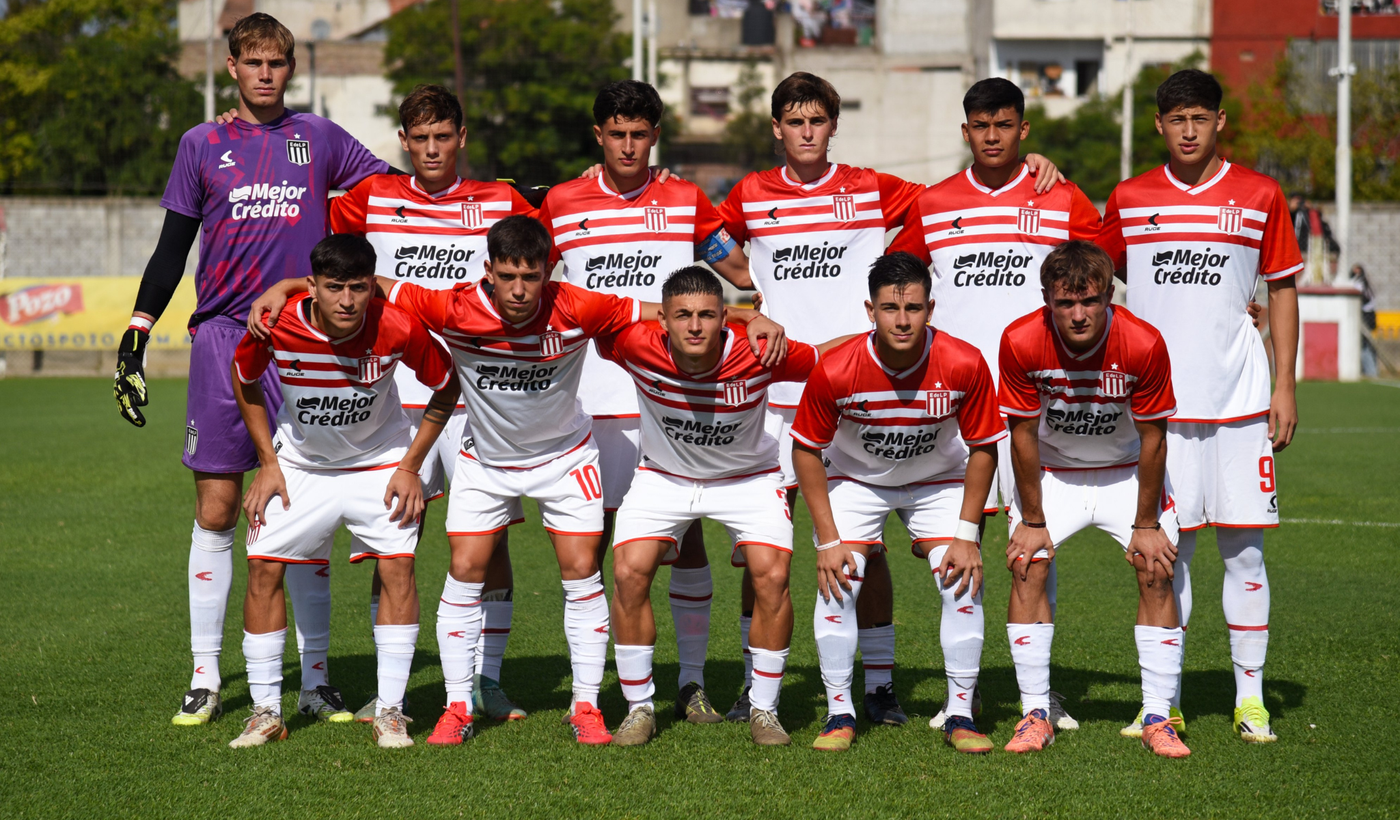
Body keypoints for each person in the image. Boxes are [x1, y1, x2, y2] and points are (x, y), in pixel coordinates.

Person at [258, 216, 784, 745]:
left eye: (530, 277)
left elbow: (668, 316)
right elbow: (376, 285)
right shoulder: (453, 307)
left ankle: (585, 706)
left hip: (565, 457)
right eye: (507, 275)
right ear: (487, 271)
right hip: (486, 461)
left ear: (548, 271)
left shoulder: (578, 305)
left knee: (582, 573)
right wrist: (292, 286)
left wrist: (741, 317)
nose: (518, 290)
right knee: (464, 570)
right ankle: (458, 705)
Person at [715, 70, 1065, 725]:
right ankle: (751, 684)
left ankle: (877, 688)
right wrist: (746, 300)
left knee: (862, 543)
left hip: (864, 385)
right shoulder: (749, 193)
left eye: (817, 121)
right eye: (794, 122)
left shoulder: (873, 188)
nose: (807, 133)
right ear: (776, 128)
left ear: (833, 125)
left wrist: (1028, 166)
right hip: (776, 393)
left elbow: (957, 198)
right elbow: (708, 237)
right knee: (763, 551)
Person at [111, 12, 391, 727]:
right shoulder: (200, 144)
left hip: (304, 341)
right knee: (216, 508)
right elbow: (173, 248)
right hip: (221, 340)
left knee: (306, 513)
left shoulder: (319, 138)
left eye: (277, 63)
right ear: (231, 67)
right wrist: (136, 334)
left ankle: (317, 677)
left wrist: (509, 188)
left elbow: (398, 191)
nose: (266, 74)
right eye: (253, 62)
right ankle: (206, 674)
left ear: (289, 70)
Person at [886, 77, 1100, 731]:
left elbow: (1105, 276)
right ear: (966, 131)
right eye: (981, 125)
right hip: (956, 407)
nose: (992, 136)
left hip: (1040, 406)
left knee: (1035, 547)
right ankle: (963, 692)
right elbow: (898, 285)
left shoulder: (1060, 197)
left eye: (1004, 125)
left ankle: (1039, 692)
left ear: (1023, 130)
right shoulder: (933, 203)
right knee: (960, 549)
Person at [537, 80, 755, 723]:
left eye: (640, 134)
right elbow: (532, 286)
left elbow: (744, 269)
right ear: (597, 135)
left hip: (669, 403)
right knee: (596, 546)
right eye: (616, 133)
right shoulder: (561, 201)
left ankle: (691, 685)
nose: (628, 146)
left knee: (684, 541)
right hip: (583, 404)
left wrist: (760, 308)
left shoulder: (686, 199)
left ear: (655, 135)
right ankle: (600, 685)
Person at [1097, 68, 1301, 743]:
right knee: (1164, 557)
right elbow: (1095, 279)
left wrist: (1284, 386)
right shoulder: (1128, 197)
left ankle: (1251, 700)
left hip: (1241, 406)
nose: (1188, 130)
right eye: (1175, 119)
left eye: (1199, 118)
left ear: (1219, 123)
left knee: (1244, 555)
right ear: (1159, 126)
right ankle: (1165, 702)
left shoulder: (1259, 193)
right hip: (1158, 415)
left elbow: (1280, 291)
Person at [325, 83, 536, 723]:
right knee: (394, 542)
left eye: (443, 136)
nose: (432, 149)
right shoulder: (371, 198)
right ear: (403, 142)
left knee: (488, 540)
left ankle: (487, 682)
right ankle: (390, 689)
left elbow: (560, 237)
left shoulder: (501, 200)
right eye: (420, 139)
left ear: (462, 138)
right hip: (390, 400)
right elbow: (322, 254)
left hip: (477, 399)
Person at [227, 234, 458, 749]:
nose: (348, 300)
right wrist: (267, 462)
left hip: (380, 463)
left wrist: (411, 466)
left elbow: (446, 385)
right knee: (262, 566)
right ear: (312, 287)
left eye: (358, 288)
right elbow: (244, 379)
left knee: (398, 567)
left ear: (372, 288)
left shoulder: (397, 325)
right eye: (335, 288)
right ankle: (265, 712)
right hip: (300, 464)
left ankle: (392, 713)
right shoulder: (277, 323)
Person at [599, 267, 842, 747]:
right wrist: (744, 311)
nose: (695, 326)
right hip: (663, 477)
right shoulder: (633, 343)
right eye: (683, 315)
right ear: (662, 320)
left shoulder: (759, 350)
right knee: (628, 571)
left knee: (771, 576)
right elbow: (586, 315)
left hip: (747, 480)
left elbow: (827, 355)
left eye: (708, 315)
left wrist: (886, 331)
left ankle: (764, 710)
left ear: (722, 321)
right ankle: (639, 708)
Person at [790, 252, 1004, 754]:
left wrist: (968, 536)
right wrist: (827, 539)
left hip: (938, 478)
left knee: (962, 583)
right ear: (870, 310)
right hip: (857, 478)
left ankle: (961, 714)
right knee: (838, 580)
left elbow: (984, 448)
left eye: (912, 308)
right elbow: (805, 450)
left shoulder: (965, 360)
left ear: (931, 308)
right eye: (889, 308)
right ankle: (839, 712)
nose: (902, 320)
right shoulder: (836, 367)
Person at [998, 240, 1189, 759]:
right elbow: (1022, 435)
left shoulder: (1144, 342)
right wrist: (1032, 519)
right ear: (1046, 300)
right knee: (1027, 562)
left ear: (1110, 295)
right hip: (1054, 473)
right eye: (1065, 303)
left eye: (1090, 301)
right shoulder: (1018, 340)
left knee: (1155, 566)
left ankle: (1157, 715)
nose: (1078, 315)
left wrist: (1146, 523)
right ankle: (1034, 712)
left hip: (1127, 470)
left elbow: (1154, 439)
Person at [1348, 264, 1379, 377]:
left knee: (1364, 345)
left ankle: (1371, 372)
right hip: (1368, 316)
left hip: (1366, 316)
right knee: (1364, 345)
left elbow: (1362, 299)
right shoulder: (1364, 284)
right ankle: (1369, 371)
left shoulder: (1360, 284)